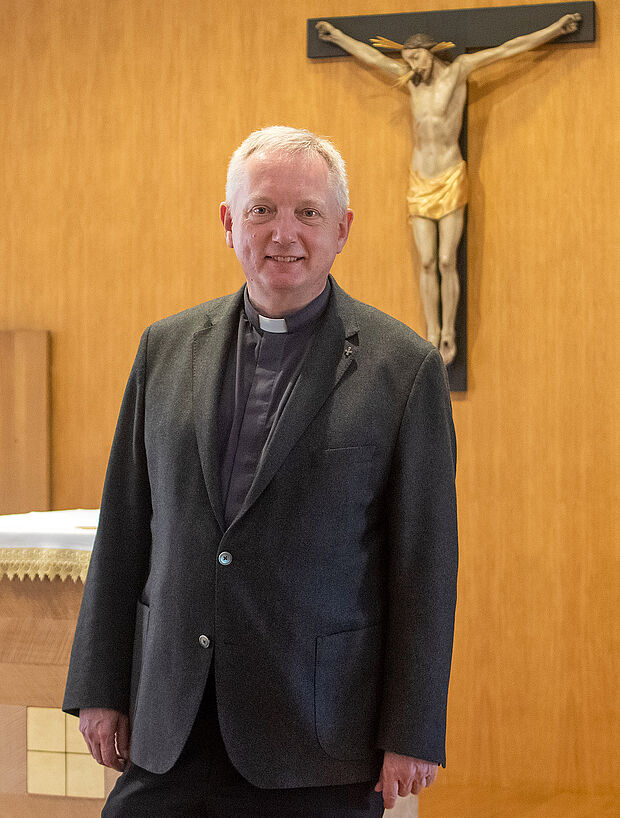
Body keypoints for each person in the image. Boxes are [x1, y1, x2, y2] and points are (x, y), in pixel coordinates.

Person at [63, 125, 458, 817]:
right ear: (228, 222)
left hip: (316, 737)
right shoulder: (164, 349)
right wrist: (100, 687)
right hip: (171, 726)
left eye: (308, 212)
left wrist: (412, 731)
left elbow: (424, 565)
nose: (284, 233)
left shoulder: (403, 369)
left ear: (342, 229)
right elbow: (124, 525)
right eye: (261, 209)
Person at [316, 13, 581, 365]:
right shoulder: (411, 82)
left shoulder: (459, 71)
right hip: (420, 179)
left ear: (431, 52)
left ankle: (448, 333)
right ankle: (430, 333)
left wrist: (554, 29)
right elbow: (373, 57)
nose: (412, 66)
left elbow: (508, 49)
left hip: (450, 174)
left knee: (445, 260)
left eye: (417, 58)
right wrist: (336, 36)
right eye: (408, 60)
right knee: (427, 261)